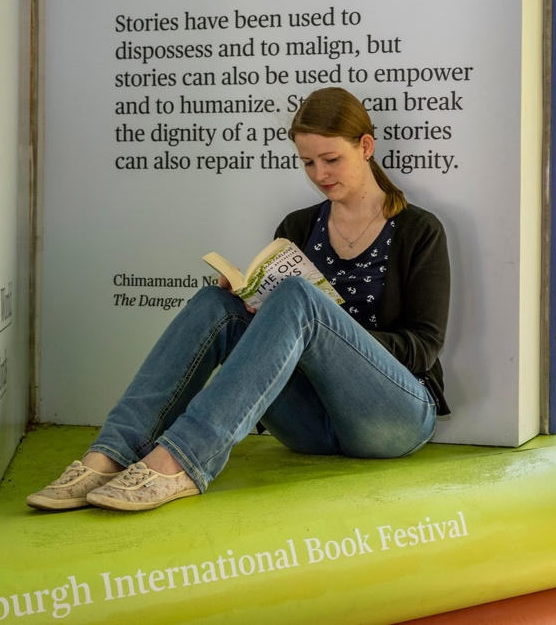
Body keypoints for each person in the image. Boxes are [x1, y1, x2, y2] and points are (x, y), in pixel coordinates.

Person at [27, 87, 450, 512]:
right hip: (311, 426)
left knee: (299, 298)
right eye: (307, 162)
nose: (319, 173)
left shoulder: (419, 230)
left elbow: (424, 348)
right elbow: (272, 342)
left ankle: (180, 460)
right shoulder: (298, 226)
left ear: (366, 147)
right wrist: (255, 307)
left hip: (392, 418)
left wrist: (330, 331)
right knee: (217, 303)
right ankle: (110, 454)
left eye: (331, 159)